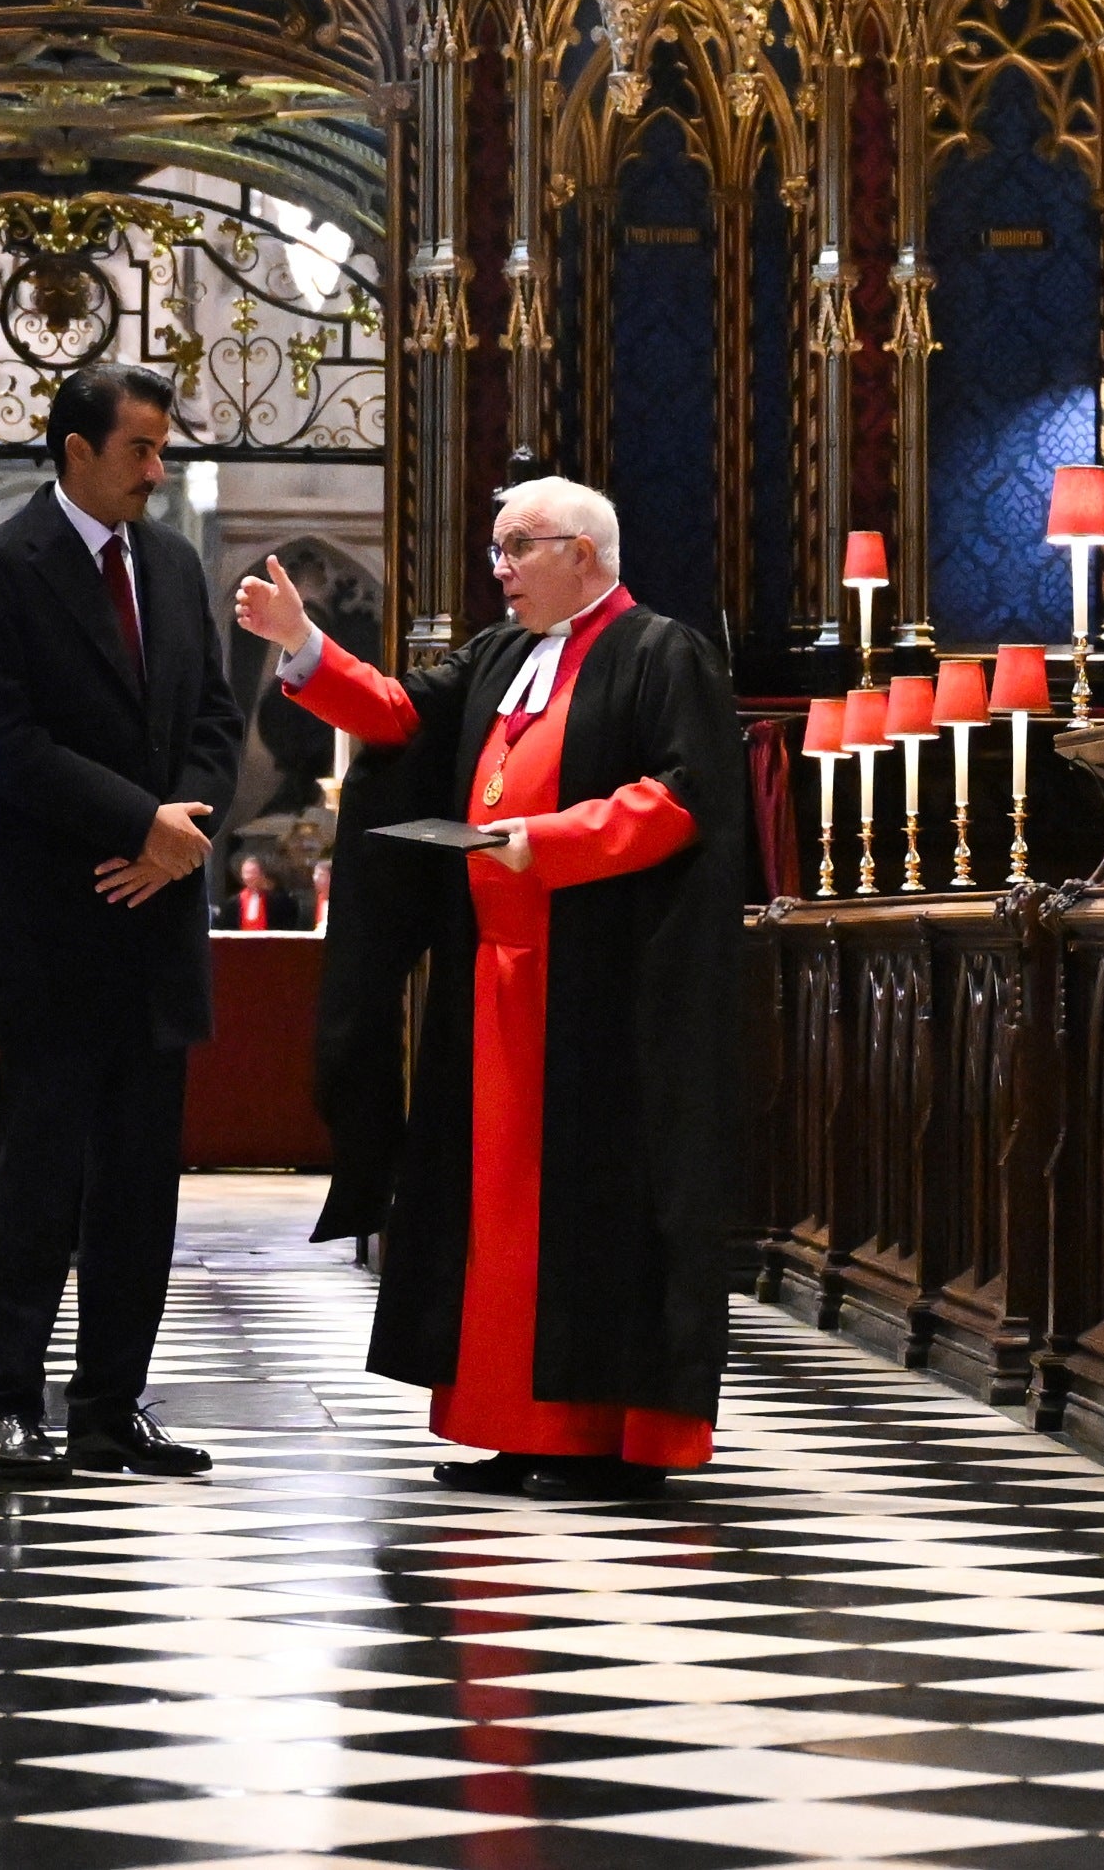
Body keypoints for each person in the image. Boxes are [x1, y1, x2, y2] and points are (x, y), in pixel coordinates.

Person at [242, 474, 752, 1499]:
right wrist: (303, 647)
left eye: (517, 548)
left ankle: (599, 1437)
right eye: (495, 550)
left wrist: (548, 840)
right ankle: (514, 1425)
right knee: (493, 1209)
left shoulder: (662, 651)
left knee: (589, 1208)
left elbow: (682, 796)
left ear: (584, 551)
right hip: (494, 981)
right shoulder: (498, 657)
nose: (500, 570)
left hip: (604, 992)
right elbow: (394, 717)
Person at [0, 357, 237, 1484]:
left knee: (139, 1189)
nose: (157, 472)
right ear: (74, 450)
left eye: (163, 450)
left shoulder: (167, 561)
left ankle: (111, 1405)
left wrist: (182, 837)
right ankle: (7, 1406)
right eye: (139, 450)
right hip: (57, 922)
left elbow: (214, 715)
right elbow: (3, 746)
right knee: (39, 1184)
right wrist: (139, 823)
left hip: (154, 922)